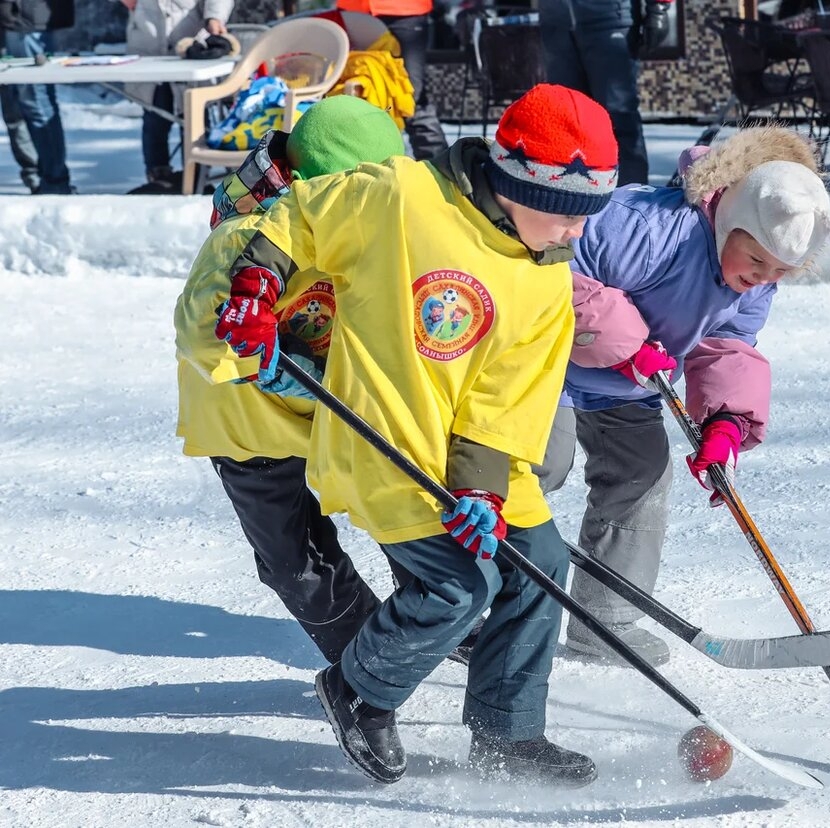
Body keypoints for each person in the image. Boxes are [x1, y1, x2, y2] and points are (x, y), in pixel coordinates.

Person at [213, 83, 619, 787]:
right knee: (460, 586)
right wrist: (257, 287)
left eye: (589, 216)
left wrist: (482, 492)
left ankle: (508, 733)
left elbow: (506, 400)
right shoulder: (402, 197)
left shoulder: (548, 282)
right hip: (384, 444)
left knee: (543, 565)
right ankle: (358, 690)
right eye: (563, 212)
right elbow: (297, 216)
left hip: (473, 459)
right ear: (512, 180)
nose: (574, 233)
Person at [539, 126, 830, 666]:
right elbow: (553, 269)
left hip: (627, 381)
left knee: (642, 473)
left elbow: (729, 343)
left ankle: (604, 623)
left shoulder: (757, 282)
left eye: (780, 272)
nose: (762, 280)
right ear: (731, 222)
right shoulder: (649, 227)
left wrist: (726, 423)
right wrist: (626, 341)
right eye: (757, 262)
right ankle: (478, 604)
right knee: (541, 463)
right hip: (544, 362)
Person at [174, 96, 410, 666]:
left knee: (406, 507)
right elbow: (202, 332)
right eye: (353, 194)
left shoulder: (373, 234)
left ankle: (430, 613)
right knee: (294, 560)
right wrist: (276, 360)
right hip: (249, 427)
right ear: (310, 186)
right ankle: (363, 654)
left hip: (337, 412)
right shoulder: (245, 238)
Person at [538, 0, 672, 185]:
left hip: (608, 19)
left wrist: (658, 8)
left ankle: (630, 198)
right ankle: (572, 198)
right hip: (556, 21)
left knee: (619, 117)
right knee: (567, 117)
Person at [119, 0, 235, 191]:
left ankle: (197, 180)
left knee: (194, 118)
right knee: (155, 117)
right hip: (149, 44)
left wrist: (215, 17)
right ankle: (158, 180)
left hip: (192, 45)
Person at [336, 0, 448, 159]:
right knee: (357, 93)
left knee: (411, 98)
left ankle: (439, 172)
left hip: (404, 13)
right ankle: (367, 165)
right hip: (354, 10)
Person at [0, 0, 73, 193]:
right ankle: (37, 178)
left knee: (35, 99)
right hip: (13, 17)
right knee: (13, 106)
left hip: (26, 17)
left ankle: (55, 183)